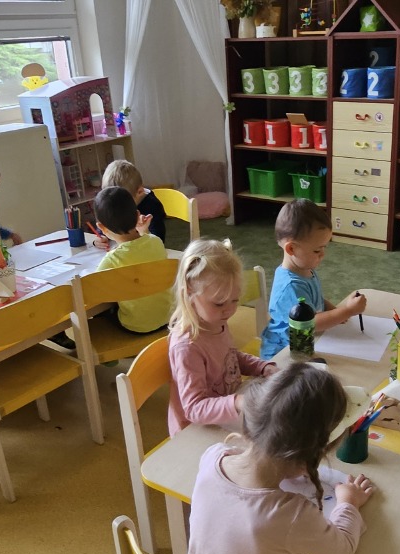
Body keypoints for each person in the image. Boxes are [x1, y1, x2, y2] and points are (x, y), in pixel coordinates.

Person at [186, 363, 376, 554]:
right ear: (308, 457)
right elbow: (342, 550)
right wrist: (348, 502)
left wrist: (284, 468)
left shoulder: (212, 457)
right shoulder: (291, 513)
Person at [167, 239, 278, 433]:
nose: (229, 310)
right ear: (189, 293)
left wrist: (262, 367)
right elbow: (194, 409)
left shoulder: (215, 321)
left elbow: (230, 357)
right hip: (195, 431)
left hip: (225, 416)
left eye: (235, 300)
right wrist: (238, 402)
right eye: (219, 303)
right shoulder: (187, 347)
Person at [260, 200, 366, 359]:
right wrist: (347, 311)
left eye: (324, 247)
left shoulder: (305, 269)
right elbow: (311, 323)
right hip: (283, 354)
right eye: (317, 250)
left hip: (306, 344)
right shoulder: (290, 286)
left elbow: (316, 300)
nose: (323, 254)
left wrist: (336, 312)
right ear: (291, 248)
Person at [92, 187, 171, 334]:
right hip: (167, 318)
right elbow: (145, 247)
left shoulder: (112, 259)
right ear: (137, 215)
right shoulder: (156, 241)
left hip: (137, 326)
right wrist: (144, 231)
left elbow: (93, 291)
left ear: (101, 227)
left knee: (99, 313)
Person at [102, 159, 166, 242]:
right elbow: (105, 220)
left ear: (140, 192)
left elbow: (159, 240)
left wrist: (144, 231)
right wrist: (102, 236)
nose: (119, 208)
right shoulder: (116, 202)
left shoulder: (153, 207)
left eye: (124, 204)